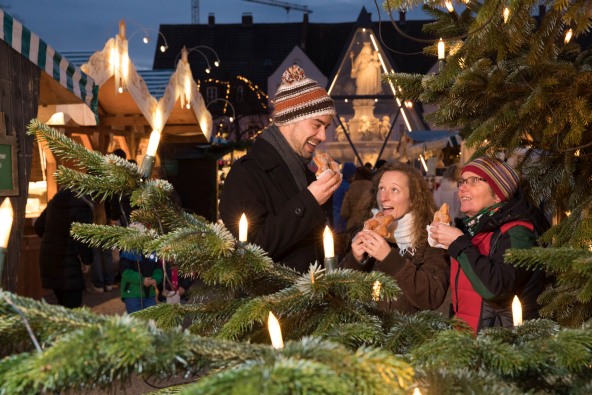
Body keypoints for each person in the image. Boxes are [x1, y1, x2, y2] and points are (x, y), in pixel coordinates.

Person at [219, 64, 341, 273]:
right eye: (316, 125)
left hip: (308, 299)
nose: (323, 136)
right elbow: (252, 251)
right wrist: (310, 200)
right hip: (269, 304)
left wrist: (356, 241)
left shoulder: (305, 172)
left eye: (326, 128)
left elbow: (310, 248)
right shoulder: (245, 173)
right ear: (289, 120)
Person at [429, 157, 548, 333]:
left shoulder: (518, 232)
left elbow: (495, 288)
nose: (462, 187)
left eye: (474, 181)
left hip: (501, 347)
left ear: (498, 194)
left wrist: (459, 244)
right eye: (462, 181)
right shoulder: (472, 230)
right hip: (466, 342)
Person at [341, 163, 450, 314]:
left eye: (394, 190)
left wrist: (390, 259)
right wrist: (355, 260)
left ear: (413, 199)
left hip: (408, 334)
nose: (384, 198)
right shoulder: (367, 232)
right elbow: (343, 291)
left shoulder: (432, 239)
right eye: (381, 189)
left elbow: (433, 295)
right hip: (369, 332)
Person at [33, 187, 94, 308]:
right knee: (73, 307)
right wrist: (87, 261)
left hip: (48, 259)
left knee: (61, 302)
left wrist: (53, 239)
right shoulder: (82, 207)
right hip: (68, 261)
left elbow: (38, 226)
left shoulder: (55, 201)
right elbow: (83, 239)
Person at [119, 248, 163, 314]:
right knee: (136, 321)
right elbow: (125, 272)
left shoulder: (153, 251)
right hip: (132, 293)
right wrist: (142, 280)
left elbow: (158, 269)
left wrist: (155, 279)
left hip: (149, 293)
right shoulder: (128, 251)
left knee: (151, 319)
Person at [341, 166, 374, 234]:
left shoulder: (352, 187)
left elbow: (344, 212)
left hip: (353, 226)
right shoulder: (373, 187)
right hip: (369, 225)